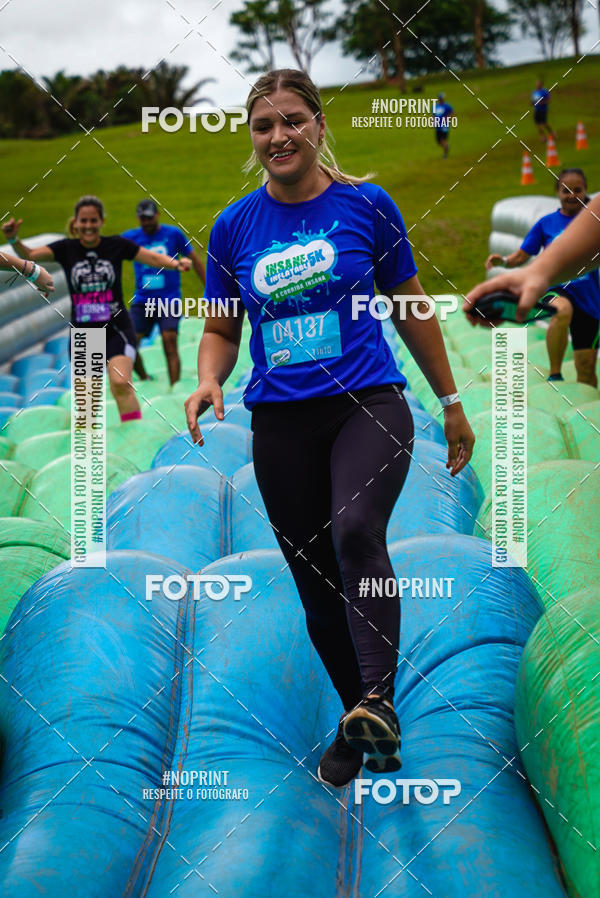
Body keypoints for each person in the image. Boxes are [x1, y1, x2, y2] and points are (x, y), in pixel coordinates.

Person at [184, 68, 475, 789]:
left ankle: (378, 696)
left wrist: (453, 402)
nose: (278, 136)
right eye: (263, 125)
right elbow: (221, 326)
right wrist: (208, 375)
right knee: (316, 585)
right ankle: (361, 719)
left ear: (317, 124)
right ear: (251, 139)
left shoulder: (367, 206)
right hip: (281, 421)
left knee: (354, 532)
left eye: (291, 120)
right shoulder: (233, 226)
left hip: (368, 405)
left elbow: (410, 305)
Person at [2, 197, 191, 421]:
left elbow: (150, 257)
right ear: (77, 222)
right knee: (87, 400)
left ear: (102, 221)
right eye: (84, 221)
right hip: (85, 334)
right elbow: (30, 256)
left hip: (116, 329)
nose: (89, 226)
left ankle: (134, 432)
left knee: (121, 382)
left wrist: (176, 264)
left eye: (93, 220)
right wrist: (13, 238)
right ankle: (93, 448)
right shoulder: (66, 249)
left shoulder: (117, 245)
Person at [480, 169, 599, 386]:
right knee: (562, 310)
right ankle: (555, 373)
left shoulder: (593, 223)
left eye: (577, 190)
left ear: (585, 191)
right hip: (557, 288)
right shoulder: (546, 223)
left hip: (589, 298)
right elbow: (522, 255)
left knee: (586, 367)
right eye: (566, 190)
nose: (572, 195)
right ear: (557, 193)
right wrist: (504, 261)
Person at [122, 199, 206, 385]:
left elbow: (194, 259)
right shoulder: (131, 238)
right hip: (142, 299)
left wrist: (208, 287)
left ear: (157, 216)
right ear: (138, 218)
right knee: (130, 343)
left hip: (168, 299)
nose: (147, 222)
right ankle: (144, 377)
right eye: (143, 219)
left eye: (150, 218)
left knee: (170, 340)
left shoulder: (173, 234)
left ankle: (174, 386)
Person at [434, 92, 455, 159]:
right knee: (438, 141)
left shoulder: (447, 106)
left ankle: (445, 154)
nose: (440, 99)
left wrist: (447, 119)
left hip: (444, 126)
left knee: (443, 139)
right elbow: (434, 115)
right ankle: (446, 147)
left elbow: (452, 113)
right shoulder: (436, 106)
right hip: (437, 126)